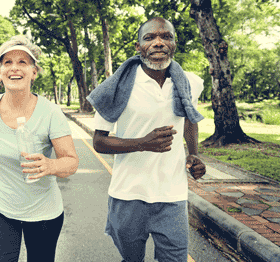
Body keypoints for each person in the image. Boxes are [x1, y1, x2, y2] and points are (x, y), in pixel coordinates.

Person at [87, 17, 206, 262]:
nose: (158, 42)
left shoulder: (191, 83)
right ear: (138, 46)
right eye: (150, 37)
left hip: (172, 195)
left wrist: (193, 154)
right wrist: (143, 143)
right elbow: (99, 142)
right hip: (128, 195)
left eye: (166, 37)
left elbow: (190, 119)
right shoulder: (116, 87)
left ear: (175, 43)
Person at [0, 35, 79, 262]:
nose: (14, 68)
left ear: (33, 72)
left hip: (43, 211)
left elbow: (71, 162)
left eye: (22, 62)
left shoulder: (50, 113)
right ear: (0, 71)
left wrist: (50, 165)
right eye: (7, 62)